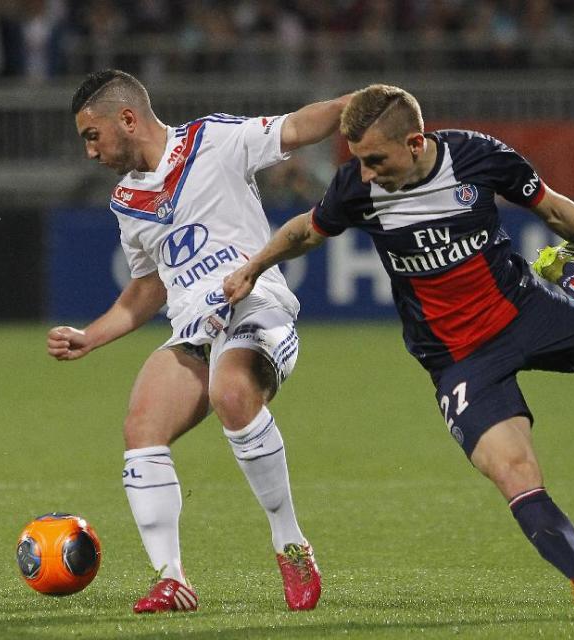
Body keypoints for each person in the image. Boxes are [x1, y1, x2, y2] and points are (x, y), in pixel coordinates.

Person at [223, 84, 574, 620]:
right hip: (460, 361)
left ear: (415, 143)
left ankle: (570, 276)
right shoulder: (357, 189)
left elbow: (552, 208)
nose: (365, 174)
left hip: (527, 312)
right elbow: (305, 231)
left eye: (375, 160)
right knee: (513, 471)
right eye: (359, 162)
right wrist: (253, 266)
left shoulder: (478, 156)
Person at [49, 69, 349, 613]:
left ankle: (290, 542)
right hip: (193, 328)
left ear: (127, 119)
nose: (89, 152)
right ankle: (171, 579)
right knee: (142, 426)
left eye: (91, 136)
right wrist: (90, 337)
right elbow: (146, 288)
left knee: (231, 393)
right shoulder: (126, 200)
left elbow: (297, 128)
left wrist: (362, 104)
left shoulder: (213, 140)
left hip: (257, 309)